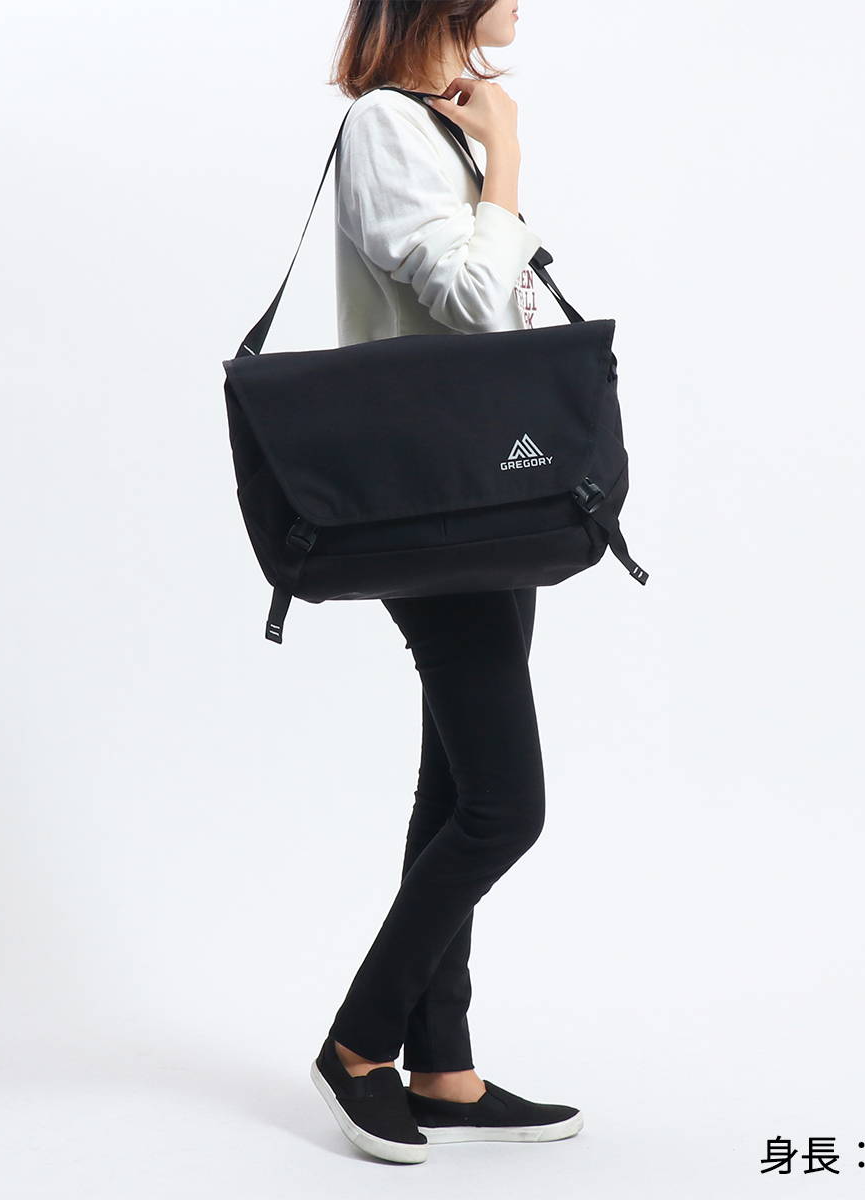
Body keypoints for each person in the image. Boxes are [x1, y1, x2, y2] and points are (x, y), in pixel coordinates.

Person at [308, 0, 583, 1164]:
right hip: (435, 503)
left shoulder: (440, 120)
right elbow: (472, 301)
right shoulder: (386, 125)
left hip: (486, 492)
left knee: (458, 789)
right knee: (506, 808)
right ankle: (356, 1046)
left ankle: (443, 1064)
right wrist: (507, 154)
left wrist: (487, 144)